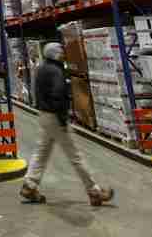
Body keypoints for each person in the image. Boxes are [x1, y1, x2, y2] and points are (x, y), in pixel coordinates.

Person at [20, 42, 114, 206]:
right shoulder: (56, 71)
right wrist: (62, 118)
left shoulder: (41, 69)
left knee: (41, 152)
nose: (63, 54)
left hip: (44, 115)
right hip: (55, 118)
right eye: (61, 51)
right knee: (75, 156)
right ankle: (94, 191)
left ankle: (29, 185)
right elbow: (58, 94)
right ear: (55, 54)